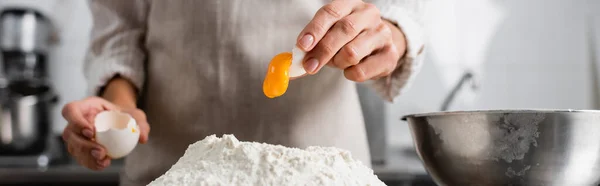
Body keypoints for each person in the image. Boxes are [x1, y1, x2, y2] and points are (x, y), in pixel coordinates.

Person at [61, 0, 426, 185]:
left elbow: (399, 11)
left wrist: (389, 34)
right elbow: (119, 27)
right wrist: (118, 107)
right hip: (174, 166)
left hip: (319, 165)